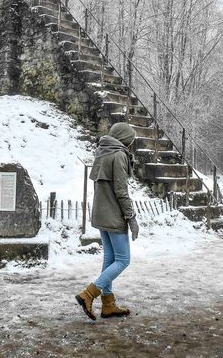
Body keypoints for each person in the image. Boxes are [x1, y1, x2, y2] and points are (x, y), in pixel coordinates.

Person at [75, 122, 139, 320]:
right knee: (123, 260)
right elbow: (121, 191)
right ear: (124, 139)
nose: (131, 145)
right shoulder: (119, 155)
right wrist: (131, 217)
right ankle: (88, 294)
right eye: (130, 141)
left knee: (110, 258)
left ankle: (108, 305)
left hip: (101, 213)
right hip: (113, 214)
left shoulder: (102, 151)